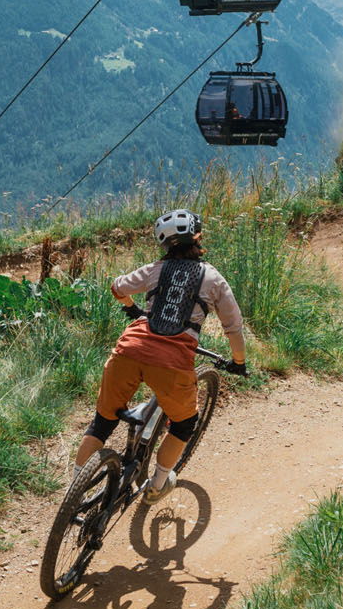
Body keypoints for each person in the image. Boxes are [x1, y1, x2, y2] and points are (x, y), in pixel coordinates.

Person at [73, 209, 247, 503]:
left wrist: (131, 308)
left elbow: (117, 286)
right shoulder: (213, 278)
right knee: (183, 424)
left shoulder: (155, 270)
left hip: (129, 348)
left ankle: (73, 495)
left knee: (102, 423)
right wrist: (239, 363)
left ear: (164, 246)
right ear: (198, 237)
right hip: (172, 362)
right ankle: (156, 486)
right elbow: (234, 327)